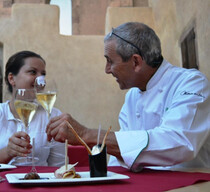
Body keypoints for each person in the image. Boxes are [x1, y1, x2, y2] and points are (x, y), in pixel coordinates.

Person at [46, 22, 210, 172]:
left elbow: (179, 142)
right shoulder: (132, 95)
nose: (107, 70)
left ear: (136, 62)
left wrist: (85, 134)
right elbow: (123, 154)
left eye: (110, 61)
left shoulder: (191, 83)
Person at [0, 51, 65, 166]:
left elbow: (58, 166)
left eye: (43, 74)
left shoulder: (53, 115)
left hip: (40, 182)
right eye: (32, 72)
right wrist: (7, 152)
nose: (40, 80)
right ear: (11, 78)